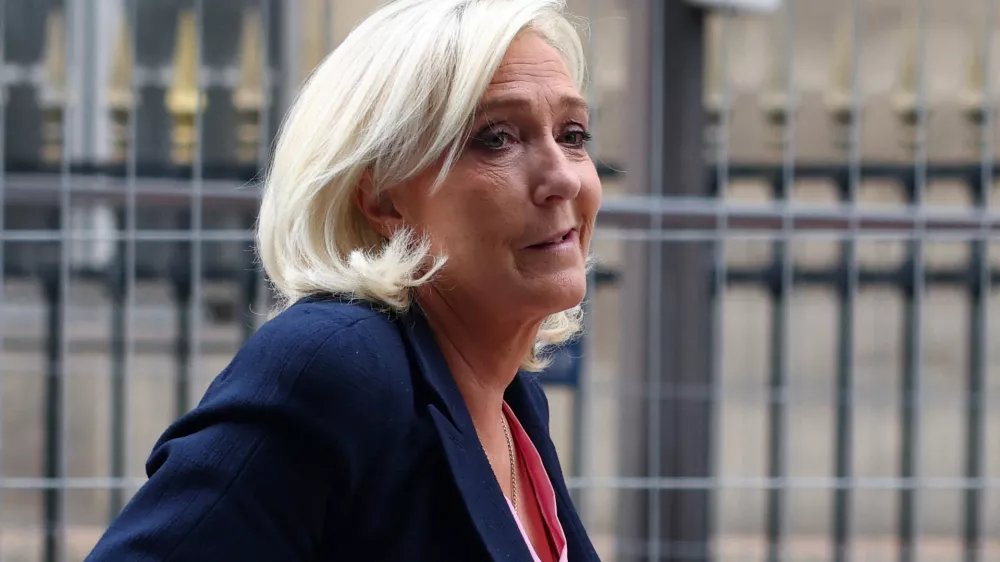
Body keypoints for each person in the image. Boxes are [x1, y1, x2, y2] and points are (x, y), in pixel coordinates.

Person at [85, 0, 601, 560]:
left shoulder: (513, 402)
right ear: (382, 198)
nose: (563, 179)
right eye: (497, 138)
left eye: (572, 134)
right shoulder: (337, 365)